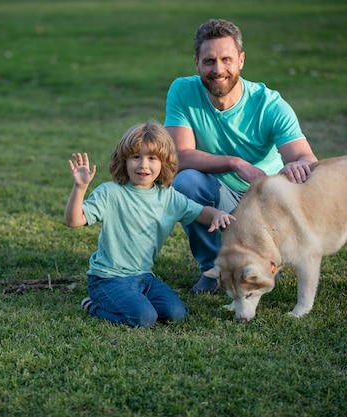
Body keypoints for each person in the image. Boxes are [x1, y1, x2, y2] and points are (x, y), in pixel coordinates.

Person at [164, 18, 318, 295]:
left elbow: (307, 159)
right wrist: (235, 163)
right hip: (220, 192)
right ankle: (212, 269)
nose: (218, 69)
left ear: (241, 60)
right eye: (209, 61)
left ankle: (267, 261)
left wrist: (297, 165)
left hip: (264, 201)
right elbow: (178, 156)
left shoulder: (269, 104)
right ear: (196, 62)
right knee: (185, 183)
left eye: (226, 59)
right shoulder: (183, 91)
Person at [64, 121, 236, 328]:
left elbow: (199, 212)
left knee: (176, 314)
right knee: (144, 318)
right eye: (136, 157)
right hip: (108, 279)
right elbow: (73, 221)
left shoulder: (168, 196)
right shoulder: (110, 193)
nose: (143, 165)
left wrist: (217, 214)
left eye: (152, 158)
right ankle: (93, 305)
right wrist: (80, 187)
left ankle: (137, 300)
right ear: (124, 160)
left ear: (164, 163)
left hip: (144, 277)